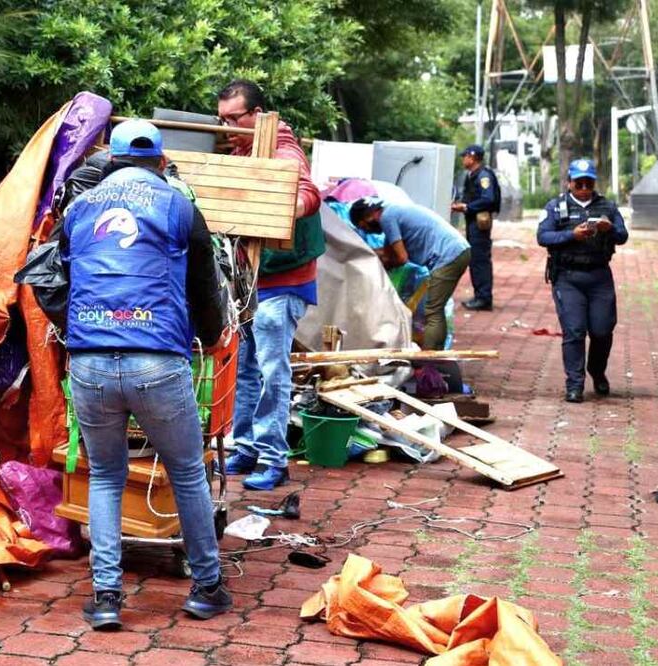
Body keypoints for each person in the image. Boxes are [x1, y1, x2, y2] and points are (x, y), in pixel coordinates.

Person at [60, 119, 231, 630]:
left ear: (111, 160)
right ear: (161, 161)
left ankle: (107, 598)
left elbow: (61, 275)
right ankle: (206, 588)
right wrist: (211, 332)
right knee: (185, 472)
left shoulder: (77, 210)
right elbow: (205, 283)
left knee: (107, 475)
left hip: (89, 359)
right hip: (156, 357)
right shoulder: (180, 206)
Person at [218, 79, 325, 492]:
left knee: (270, 373)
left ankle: (273, 459)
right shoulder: (243, 148)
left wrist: (284, 208)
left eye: (235, 118)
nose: (227, 126)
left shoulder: (281, 148)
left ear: (257, 115)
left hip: (282, 283)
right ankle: (245, 447)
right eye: (222, 119)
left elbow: (306, 192)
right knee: (244, 370)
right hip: (249, 284)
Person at [537, 158, 628, 403]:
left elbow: (623, 236)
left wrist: (610, 230)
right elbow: (543, 236)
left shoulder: (607, 206)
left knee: (602, 330)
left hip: (599, 276)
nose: (585, 188)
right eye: (579, 183)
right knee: (574, 331)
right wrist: (572, 235)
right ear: (569, 183)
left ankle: (597, 371)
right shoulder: (556, 206)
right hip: (567, 277)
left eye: (589, 183)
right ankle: (574, 385)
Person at [350, 197, 471, 351]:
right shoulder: (393, 212)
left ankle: (431, 358)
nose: (367, 231)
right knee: (435, 309)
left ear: (369, 216)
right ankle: (436, 355)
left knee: (433, 310)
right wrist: (365, 253)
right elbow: (388, 252)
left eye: (364, 227)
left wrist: (376, 258)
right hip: (456, 251)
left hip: (450, 255)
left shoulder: (388, 217)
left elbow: (401, 258)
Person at [451, 144, 501, 311]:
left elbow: (488, 199)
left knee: (480, 260)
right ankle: (480, 295)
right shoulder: (473, 175)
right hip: (473, 222)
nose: (463, 159)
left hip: (479, 223)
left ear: (472, 157)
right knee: (476, 259)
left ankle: (484, 298)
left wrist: (466, 207)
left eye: (464, 156)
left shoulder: (483, 176)